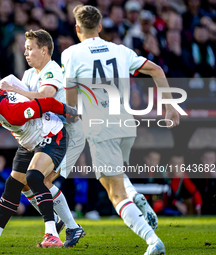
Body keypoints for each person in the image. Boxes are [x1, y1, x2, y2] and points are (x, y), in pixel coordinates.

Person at [62, 5, 181, 254]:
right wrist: (170, 107)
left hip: (100, 126)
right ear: (101, 26)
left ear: (77, 28)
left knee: (114, 194)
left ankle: (152, 240)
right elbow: (156, 70)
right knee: (116, 175)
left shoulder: (71, 54)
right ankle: (136, 196)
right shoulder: (120, 50)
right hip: (126, 125)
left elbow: (70, 100)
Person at [0, 81, 78, 248]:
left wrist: (72, 114)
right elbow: (4, 82)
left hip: (51, 135)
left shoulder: (13, 113)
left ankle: (52, 234)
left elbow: (49, 103)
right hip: (29, 141)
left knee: (34, 178)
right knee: (13, 185)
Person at [0, 29, 85, 247]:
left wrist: (13, 89)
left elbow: (45, 98)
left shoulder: (52, 70)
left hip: (67, 133)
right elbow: (29, 104)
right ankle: (55, 219)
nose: (25, 52)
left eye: (29, 48)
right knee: (25, 183)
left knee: (42, 180)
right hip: (42, 134)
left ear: (44, 50)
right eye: (25, 48)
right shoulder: (28, 74)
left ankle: (73, 228)